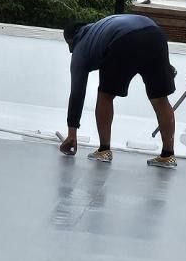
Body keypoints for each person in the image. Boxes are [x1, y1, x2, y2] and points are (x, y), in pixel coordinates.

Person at [59, 14, 177, 169]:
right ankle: (168, 155)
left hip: (125, 39)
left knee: (105, 95)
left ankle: (104, 150)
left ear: (70, 40)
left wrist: (72, 134)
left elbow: (77, 92)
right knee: (161, 99)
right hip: (155, 33)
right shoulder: (101, 27)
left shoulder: (80, 46)